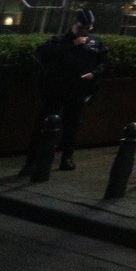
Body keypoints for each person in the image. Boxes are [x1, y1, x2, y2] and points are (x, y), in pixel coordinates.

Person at [23, 9, 109, 173]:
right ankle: (32, 161)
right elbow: (43, 53)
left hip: (79, 90)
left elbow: (104, 62)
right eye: (82, 27)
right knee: (44, 124)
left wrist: (94, 74)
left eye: (88, 28)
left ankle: (67, 158)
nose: (84, 31)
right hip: (56, 89)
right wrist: (70, 45)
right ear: (74, 24)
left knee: (72, 125)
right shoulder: (59, 41)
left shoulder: (95, 44)